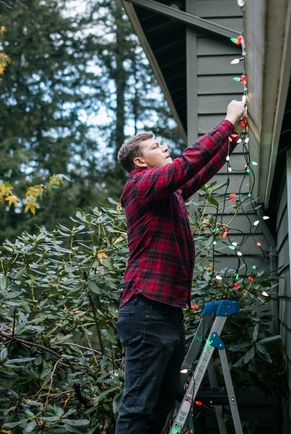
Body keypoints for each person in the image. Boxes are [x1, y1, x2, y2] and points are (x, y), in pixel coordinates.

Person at [114, 99, 247, 434]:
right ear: (140, 161)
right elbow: (185, 164)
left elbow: (199, 170)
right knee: (138, 406)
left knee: (160, 407)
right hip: (146, 310)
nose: (164, 146)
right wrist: (227, 122)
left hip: (167, 312)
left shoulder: (166, 194)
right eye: (155, 145)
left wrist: (232, 136)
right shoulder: (140, 186)